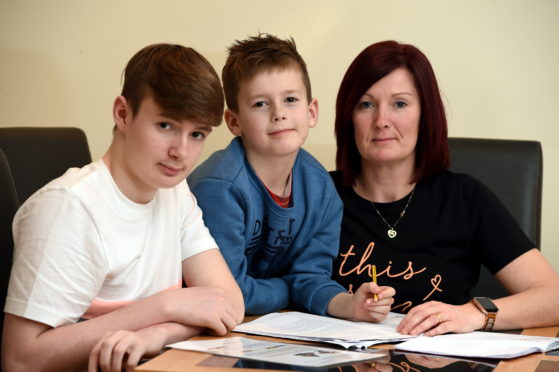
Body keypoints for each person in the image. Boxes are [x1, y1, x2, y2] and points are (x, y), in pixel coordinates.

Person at [2, 43, 244, 372]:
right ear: (123, 114)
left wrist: (157, 334)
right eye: (166, 126)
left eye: (198, 134)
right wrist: (165, 306)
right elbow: (20, 360)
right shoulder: (67, 208)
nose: (182, 152)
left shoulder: (173, 190)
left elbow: (228, 303)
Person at [330, 40, 559, 337]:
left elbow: (553, 296)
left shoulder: (464, 198)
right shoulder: (316, 194)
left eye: (399, 104)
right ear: (349, 118)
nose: (381, 121)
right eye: (366, 104)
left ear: (426, 115)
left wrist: (474, 314)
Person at [188, 34, 394, 322]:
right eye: (260, 104)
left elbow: (310, 275)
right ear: (234, 121)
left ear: (311, 112)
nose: (279, 114)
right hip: (205, 326)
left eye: (290, 100)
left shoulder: (321, 188)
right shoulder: (220, 188)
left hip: (270, 326)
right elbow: (225, 293)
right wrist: (287, 289)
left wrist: (349, 305)